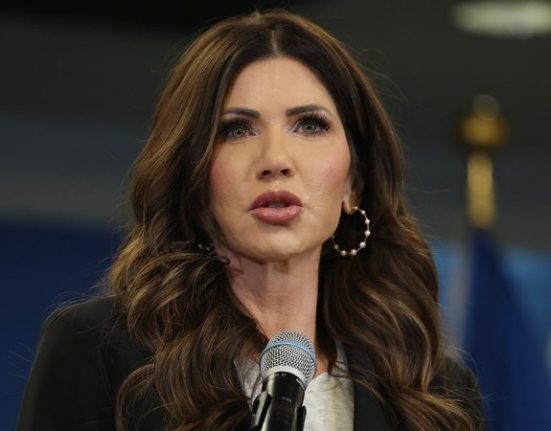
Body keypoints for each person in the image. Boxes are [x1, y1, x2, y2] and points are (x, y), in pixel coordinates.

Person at [17, 9, 484, 431]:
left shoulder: (435, 392)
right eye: (237, 130)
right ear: (194, 180)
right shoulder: (99, 354)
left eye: (310, 125)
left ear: (353, 184)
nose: (275, 160)